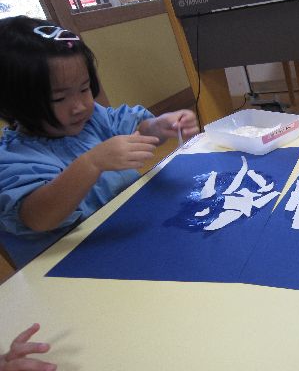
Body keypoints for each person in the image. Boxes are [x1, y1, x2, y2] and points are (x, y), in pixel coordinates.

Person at [0, 16, 199, 268]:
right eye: (59, 98)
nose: (80, 106)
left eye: (84, 89)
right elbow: (39, 218)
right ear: (15, 104)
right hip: (78, 267)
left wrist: (158, 127)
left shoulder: (93, 118)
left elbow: (137, 130)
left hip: (131, 236)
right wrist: (91, 164)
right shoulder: (15, 157)